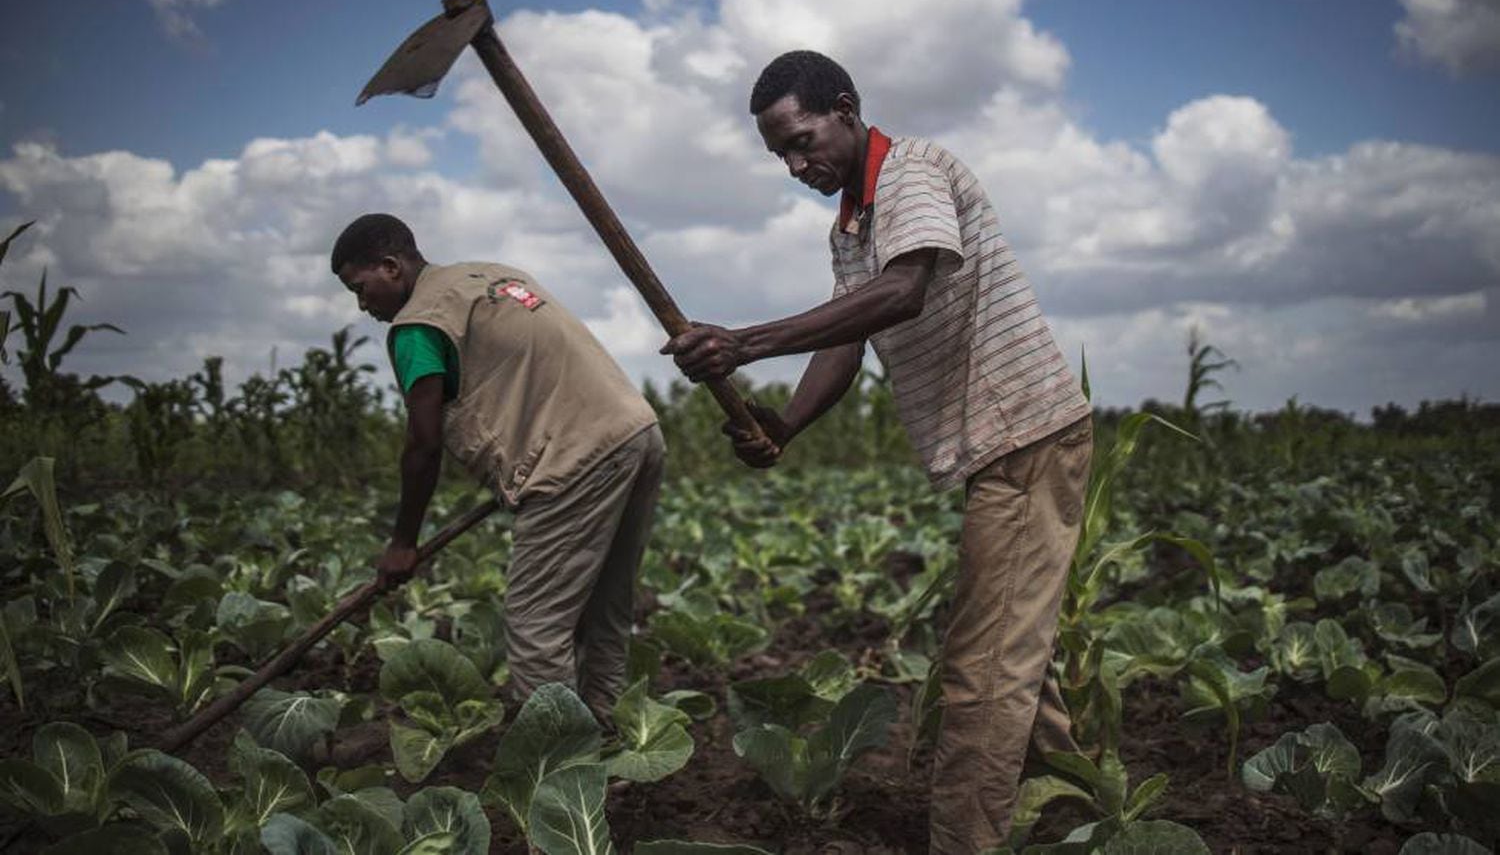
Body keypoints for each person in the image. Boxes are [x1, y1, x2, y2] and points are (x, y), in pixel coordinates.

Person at [661, 51, 1093, 853]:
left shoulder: (913, 174)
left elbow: (903, 292)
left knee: (982, 670)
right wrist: (783, 426)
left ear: (847, 108)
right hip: (1001, 446)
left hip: (1025, 435)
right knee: (1013, 649)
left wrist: (745, 342)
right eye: (780, 155)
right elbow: (851, 334)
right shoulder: (853, 222)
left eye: (802, 140)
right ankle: (1086, 813)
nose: (796, 164)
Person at [331, 213, 664, 721]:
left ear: (391, 267)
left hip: (573, 460)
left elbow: (423, 445)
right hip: (636, 433)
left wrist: (403, 543)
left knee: (535, 625)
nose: (362, 304)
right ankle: (606, 730)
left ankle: (558, 768)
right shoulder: (490, 276)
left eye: (361, 287)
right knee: (607, 609)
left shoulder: (419, 324)